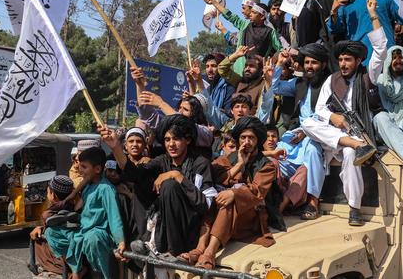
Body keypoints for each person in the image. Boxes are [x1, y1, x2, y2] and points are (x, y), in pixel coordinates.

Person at [302, 0, 387, 226]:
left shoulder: (368, 75)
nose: (343, 64)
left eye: (348, 60)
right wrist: (334, 117)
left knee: (350, 154)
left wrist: (373, 16)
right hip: (336, 134)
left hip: (359, 133)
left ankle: (354, 208)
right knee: (307, 123)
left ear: (358, 60)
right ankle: (353, 144)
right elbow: (319, 109)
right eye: (340, 60)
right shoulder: (332, 79)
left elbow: (380, 48)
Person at [100, 115, 214, 256]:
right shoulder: (162, 161)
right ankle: (147, 241)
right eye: (167, 140)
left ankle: (173, 251)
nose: (171, 144)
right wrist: (115, 146)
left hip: (189, 229)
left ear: (188, 140)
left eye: (176, 139)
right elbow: (135, 174)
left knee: (169, 186)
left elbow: (206, 204)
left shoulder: (200, 163)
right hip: (163, 225)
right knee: (140, 185)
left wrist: (177, 176)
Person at [178, 116, 284, 269]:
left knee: (230, 199)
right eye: (243, 137)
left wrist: (234, 193)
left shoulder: (266, 166)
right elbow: (214, 175)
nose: (246, 142)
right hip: (221, 213)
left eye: (251, 138)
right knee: (214, 196)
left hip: (250, 217)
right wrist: (240, 164)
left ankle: (209, 253)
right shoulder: (230, 158)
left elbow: (257, 192)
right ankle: (199, 248)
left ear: (258, 140)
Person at [270, 44, 331, 218]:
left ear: (324, 65)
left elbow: (331, 115)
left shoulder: (331, 84)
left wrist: (307, 132)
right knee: (275, 156)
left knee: (312, 152)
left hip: (319, 134)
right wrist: (279, 65)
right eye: (307, 62)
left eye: (314, 63)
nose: (309, 66)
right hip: (297, 134)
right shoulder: (299, 83)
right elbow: (275, 88)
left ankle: (313, 202)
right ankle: (275, 199)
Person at [66, 147, 126, 279]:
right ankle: (77, 270)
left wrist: (120, 241)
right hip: (83, 230)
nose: (80, 170)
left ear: (98, 169)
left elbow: (114, 217)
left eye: (84, 167)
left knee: (92, 238)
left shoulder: (106, 189)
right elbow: (79, 208)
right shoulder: (88, 186)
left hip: (98, 233)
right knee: (52, 232)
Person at [205, 0, 282, 75]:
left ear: (262, 16)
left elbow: (280, 50)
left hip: (257, 75)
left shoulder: (270, 31)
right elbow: (231, 16)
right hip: (239, 72)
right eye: (251, 11)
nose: (243, 11)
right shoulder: (245, 25)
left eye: (244, 8)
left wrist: (270, 62)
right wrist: (214, 3)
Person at [29, 175, 80, 277]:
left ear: (53, 195)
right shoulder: (75, 207)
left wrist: (42, 229)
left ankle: (59, 271)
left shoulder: (48, 214)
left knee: (38, 239)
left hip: (60, 261)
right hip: (74, 252)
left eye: (48, 191)